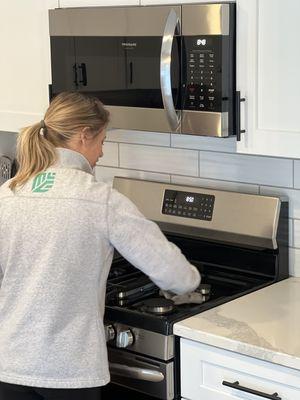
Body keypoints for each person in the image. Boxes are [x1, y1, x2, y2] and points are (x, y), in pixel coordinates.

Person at [0, 91, 201, 400]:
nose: (102, 153)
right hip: (69, 372)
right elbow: (172, 272)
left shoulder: (9, 194)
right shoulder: (100, 200)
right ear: (84, 136)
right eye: (103, 141)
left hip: (9, 365)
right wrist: (189, 285)